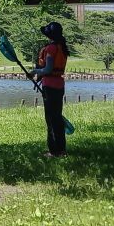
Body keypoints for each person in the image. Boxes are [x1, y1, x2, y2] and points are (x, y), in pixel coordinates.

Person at [28, 22, 69, 158]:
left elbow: (48, 69)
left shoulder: (51, 48)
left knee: (51, 119)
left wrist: (34, 71)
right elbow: (49, 71)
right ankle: (61, 149)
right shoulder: (61, 47)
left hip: (50, 87)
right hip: (59, 85)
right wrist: (39, 78)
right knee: (57, 118)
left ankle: (54, 151)